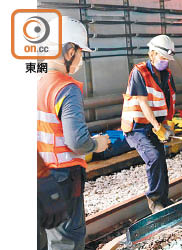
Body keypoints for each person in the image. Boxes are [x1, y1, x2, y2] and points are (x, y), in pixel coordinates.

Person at [38, 16, 110, 249]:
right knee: (66, 239)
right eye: (81, 53)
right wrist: (96, 144)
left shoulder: (33, 81)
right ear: (70, 51)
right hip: (62, 178)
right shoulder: (65, 88)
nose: (81, 59)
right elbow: (77, 141)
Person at [121, 35, 177, 213]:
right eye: (163, 58)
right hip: (137, 126)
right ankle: (154, 201)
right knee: (153, 157)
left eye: (167, 59)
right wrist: (158, 127)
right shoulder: (139, 71)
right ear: (152, 54)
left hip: (155, 125)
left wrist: (166, 124)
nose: (165, 62)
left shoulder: (166, 75)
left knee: (161, 159)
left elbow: (167, 100)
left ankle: (164, 200)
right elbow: (143, 102)